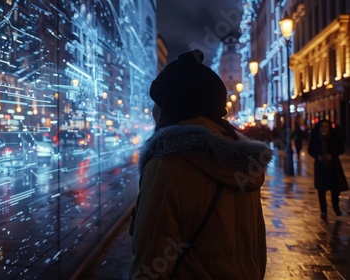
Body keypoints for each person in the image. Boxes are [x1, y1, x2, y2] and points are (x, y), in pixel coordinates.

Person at [129, 50, 272, 279]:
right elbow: (257, 249)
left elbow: (150, 263)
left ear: (172, 107)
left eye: (158, 103)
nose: (154, 111)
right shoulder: (243, 165)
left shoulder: (166, 167)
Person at [307, 119, 349, 219]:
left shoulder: (334, 137)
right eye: (322, 127)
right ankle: (323, 211)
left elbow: (341, 149)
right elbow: (310, 150)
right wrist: (318, 157)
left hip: (333, 166)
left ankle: (336, 207)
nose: (324, 129)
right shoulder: (315, 138)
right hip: (321, 167)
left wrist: (332, 155)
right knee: (321, 190)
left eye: (326, 127)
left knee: (335, 189)